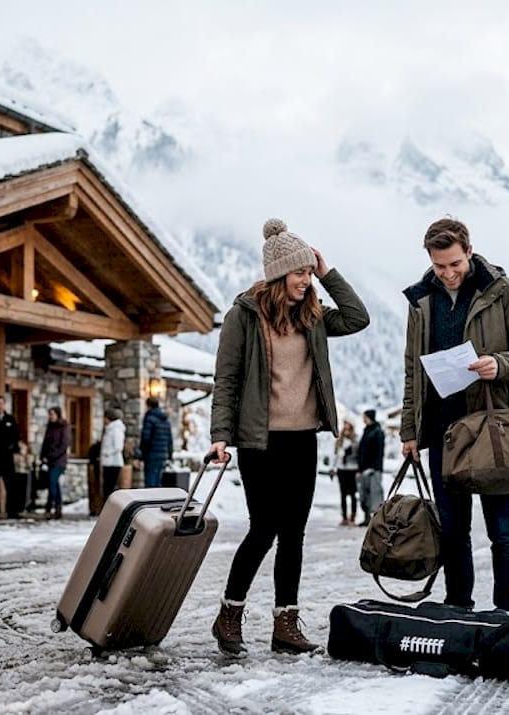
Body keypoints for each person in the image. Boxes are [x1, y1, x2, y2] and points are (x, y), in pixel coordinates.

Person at [208, 218, 370, 657]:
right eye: (299, 273)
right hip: (259, 441)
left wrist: (327, 271)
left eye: (308, 272)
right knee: (264, 528)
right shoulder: (244, 315)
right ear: (280, 275)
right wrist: (221, 435)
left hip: (302, 440)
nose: (305, 280)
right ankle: (229, 614)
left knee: (294, 533)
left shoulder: (313, 316)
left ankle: (286, 624)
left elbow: (358, 318)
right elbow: (227, 378)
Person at [399, 217, 509, 614]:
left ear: (469, 250)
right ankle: (458, 608)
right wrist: (409, 430)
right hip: (443, 430)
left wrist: (500, 363)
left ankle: (508, 612)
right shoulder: (421, 301)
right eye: (439, 266)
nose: (447, 274)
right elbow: (413, 368)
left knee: (502, 529)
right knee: (452, 530)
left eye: (454, 264)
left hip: (491, 429)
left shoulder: (504, 291)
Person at [39, 406, 72, 520]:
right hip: (48, 460)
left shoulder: (63, 427)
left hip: (58, 461)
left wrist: (51, 456)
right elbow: (45, 443)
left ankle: (50, 507)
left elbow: (63, 445)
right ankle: (58, 507)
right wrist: (42, 456)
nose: (51, 417)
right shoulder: (50, 427)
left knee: (52, 482)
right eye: (50, 414)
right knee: (54, 484)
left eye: (52, 414)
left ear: (58, 415)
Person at [356, 409, 385, 526]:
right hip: (364, 469)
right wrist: (360, 468)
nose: (363, 419)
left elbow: (379, 452)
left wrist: (374, 467)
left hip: (374, 470)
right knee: (365, 495)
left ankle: (379, 520)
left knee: (375, 494)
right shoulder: (366, 431)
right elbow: (361, 451)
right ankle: (366, 518)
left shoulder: (378, 432)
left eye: (364, 417)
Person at [136, 397, 173, 488]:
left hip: (151, 454)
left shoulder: (149, 418)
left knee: (150, 481)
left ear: (148, 406)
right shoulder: (165, 419)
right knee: (158, 481)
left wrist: (140, 454)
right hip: (163, 455)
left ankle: (150, 501)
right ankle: (157, 501)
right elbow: (170, 439)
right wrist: (170, 454)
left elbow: (146, 438)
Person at [331, 420, 361, 526]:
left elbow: (359, 456)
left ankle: (352, 516)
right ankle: (344, 517)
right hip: (342, 469)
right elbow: (335, 455)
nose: (346, 431)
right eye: (345, 429)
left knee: (353, 494)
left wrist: (359, 469)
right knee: (343, 494)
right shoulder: (340, 441)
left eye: (348, 429)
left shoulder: (356, 441)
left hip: (352, 470)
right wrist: (332, 468)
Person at [99, 407, 126, 503]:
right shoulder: (109, 429)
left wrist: (107, 453)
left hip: (113, 462)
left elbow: (118, 446)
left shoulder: (116, 429)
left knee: (110, 487)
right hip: (108, 462)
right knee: (106, 487)